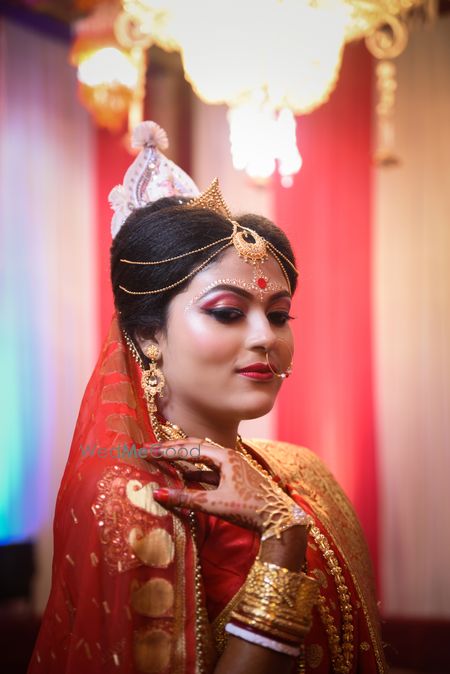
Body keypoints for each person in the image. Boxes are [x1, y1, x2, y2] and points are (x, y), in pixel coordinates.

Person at [28, 122, 387, 674]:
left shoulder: (302, 473)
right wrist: (281, 537)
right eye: (226, 312)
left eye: (279, 315)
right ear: (148, 335)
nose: (266, 337)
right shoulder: (129, 499)